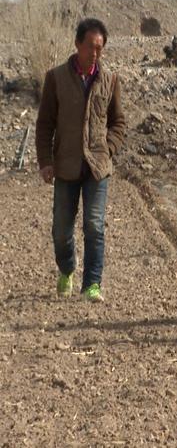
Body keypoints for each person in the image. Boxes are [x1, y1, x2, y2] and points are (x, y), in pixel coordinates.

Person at [35, 18, 126, 302]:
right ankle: (67, 269)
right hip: (65, 164)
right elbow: (44, 124)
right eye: (90, 47)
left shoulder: (110, 80)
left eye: (100, 48)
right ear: (77, 45)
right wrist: (46, 161)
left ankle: (92, 285)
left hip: (97, 168)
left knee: (94, 226)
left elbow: (119, 122)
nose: (95, 53)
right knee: (62, 230)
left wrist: (108, 149)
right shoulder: (56, 78)